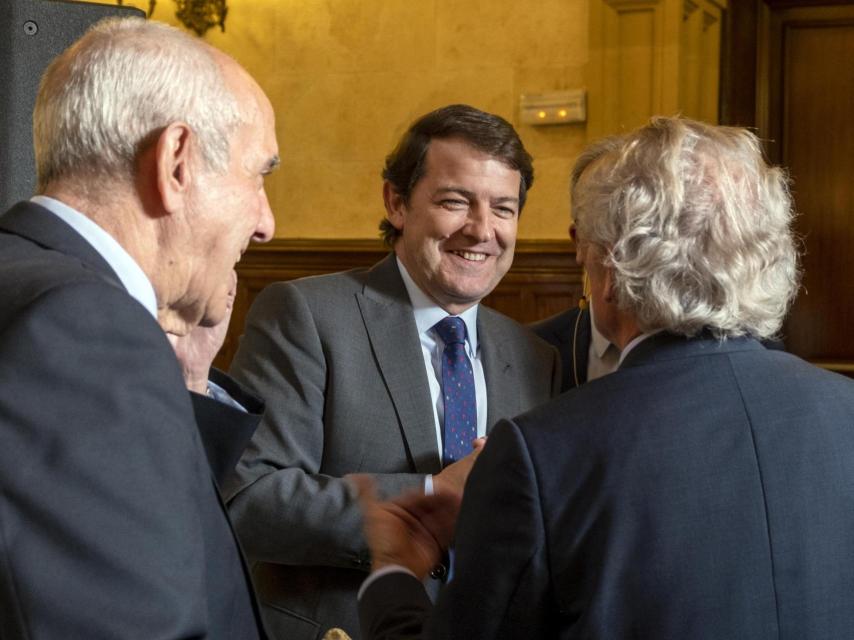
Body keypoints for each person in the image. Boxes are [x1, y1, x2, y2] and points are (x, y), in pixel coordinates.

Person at [356, 116, 854, 639]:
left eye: (585, 252)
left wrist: (392, 578)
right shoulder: (845, 411)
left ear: (612, 269)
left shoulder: (543, 454)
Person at [223, 104, 561, 640]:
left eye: (503, 209)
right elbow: (250, 501)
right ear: (396, 203)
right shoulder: (307, 315)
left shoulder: (535, 356)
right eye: (455, 202)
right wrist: (429, 496)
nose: (482, 230)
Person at [0, 17, 280, 638]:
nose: (266, 223)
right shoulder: (83, 324)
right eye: (259, 176)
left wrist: (185, 380)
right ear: (177, 162)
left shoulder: (34, 286)